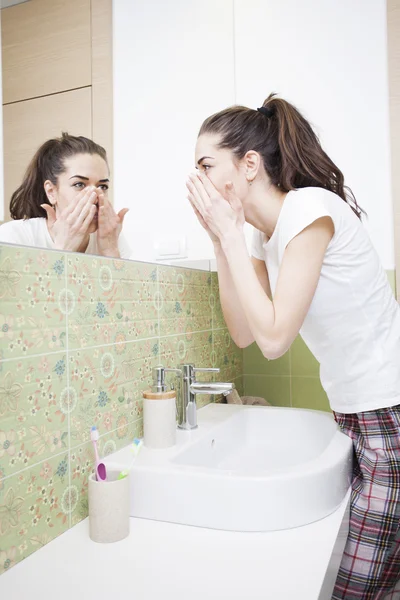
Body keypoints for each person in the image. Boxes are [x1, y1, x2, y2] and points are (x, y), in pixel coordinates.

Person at [187, 93, 400, 600]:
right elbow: (245, 333)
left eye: (205, 165)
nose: (196, 180)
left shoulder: (308, 208)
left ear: (250, 165)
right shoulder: (265, 237)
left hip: (389, 409)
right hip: (356, 411)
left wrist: (231, 238)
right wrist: (223, 242)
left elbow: (277, 337)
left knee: (354, 587)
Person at [0, 133, 131, 258]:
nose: (95, 195)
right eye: (79, 184)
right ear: (51, 192)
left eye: (102, 186)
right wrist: (64, 249)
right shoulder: (14, 237)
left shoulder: (111, 238)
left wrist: (110, 252)